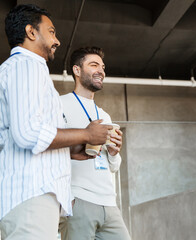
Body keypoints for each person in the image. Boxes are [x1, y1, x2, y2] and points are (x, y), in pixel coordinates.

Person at [0, 4, 112, 239]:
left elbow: (15, 140)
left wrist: (67, 151)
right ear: (31, 32)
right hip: (29, 195)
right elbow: (28, 133)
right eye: (52, 32)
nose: (57, 40)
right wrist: (86, 135)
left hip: (30, 196)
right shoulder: (27, 65)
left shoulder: (22, 68)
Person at [58, 47, 131, 240]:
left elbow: (112, 166)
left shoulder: (104, 115)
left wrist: (115, 153)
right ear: (77, 70)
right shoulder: (59, 104)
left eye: (102, 66)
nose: (101, 70)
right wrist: (67, 197)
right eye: (94, 65)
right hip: (78, 199)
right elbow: (49, 148)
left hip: (109, 202)